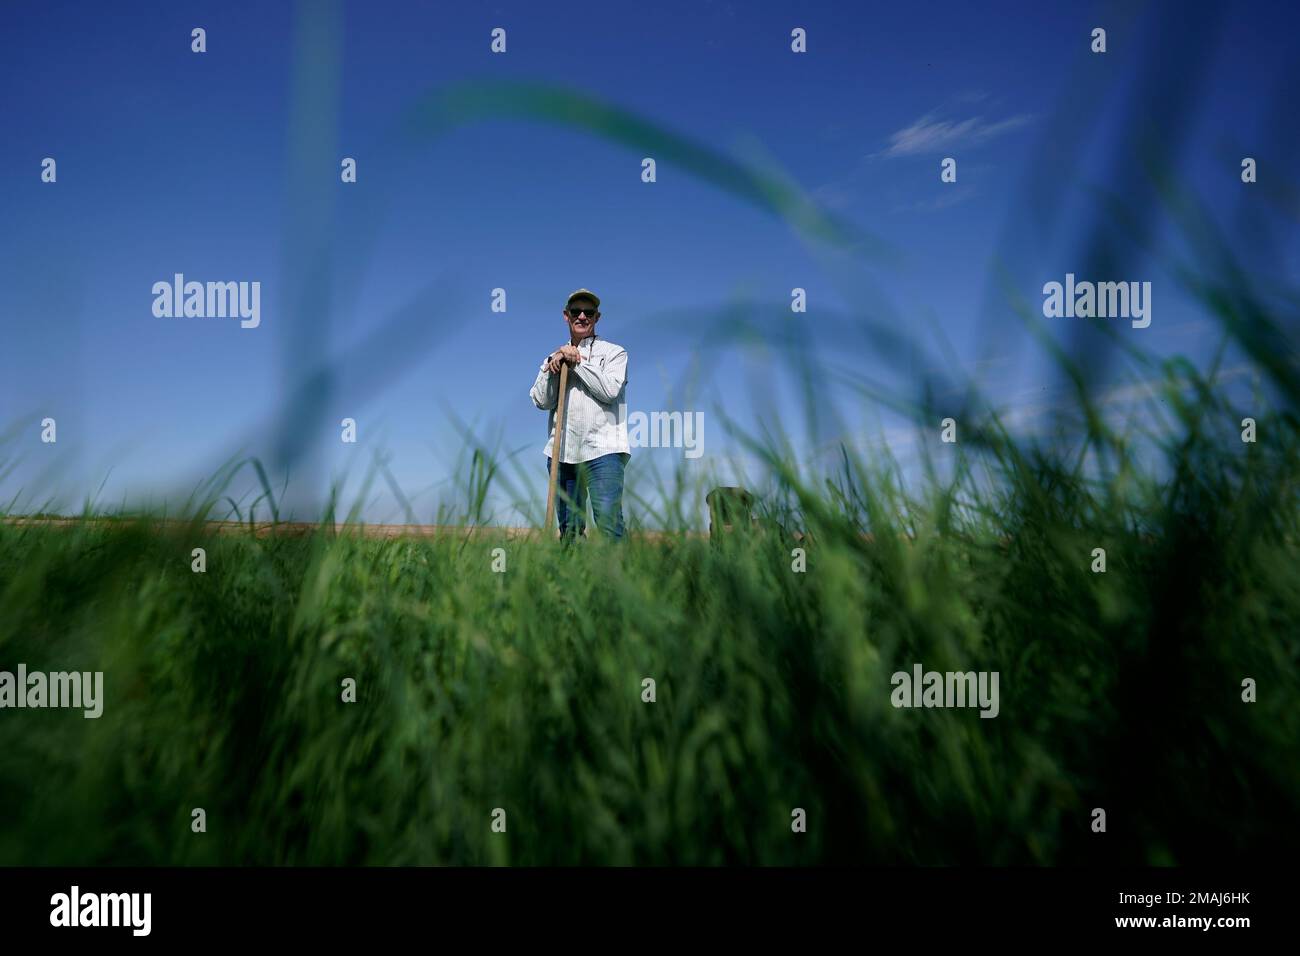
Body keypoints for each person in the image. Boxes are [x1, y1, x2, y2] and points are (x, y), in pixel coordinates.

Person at [529, 288, 630, 542]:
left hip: (603, 451)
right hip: (562, 453)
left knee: (609, 527)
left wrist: (577, 362)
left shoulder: (615, 353)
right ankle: (571, 579)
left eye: (589, 312)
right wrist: (555, 365)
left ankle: (617, 579)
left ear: (597, 317)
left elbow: (610, 390)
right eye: (576, 311)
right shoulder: (554, 357)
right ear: (566, 316)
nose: (582, 316)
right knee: (570, 531)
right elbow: (541, 400)